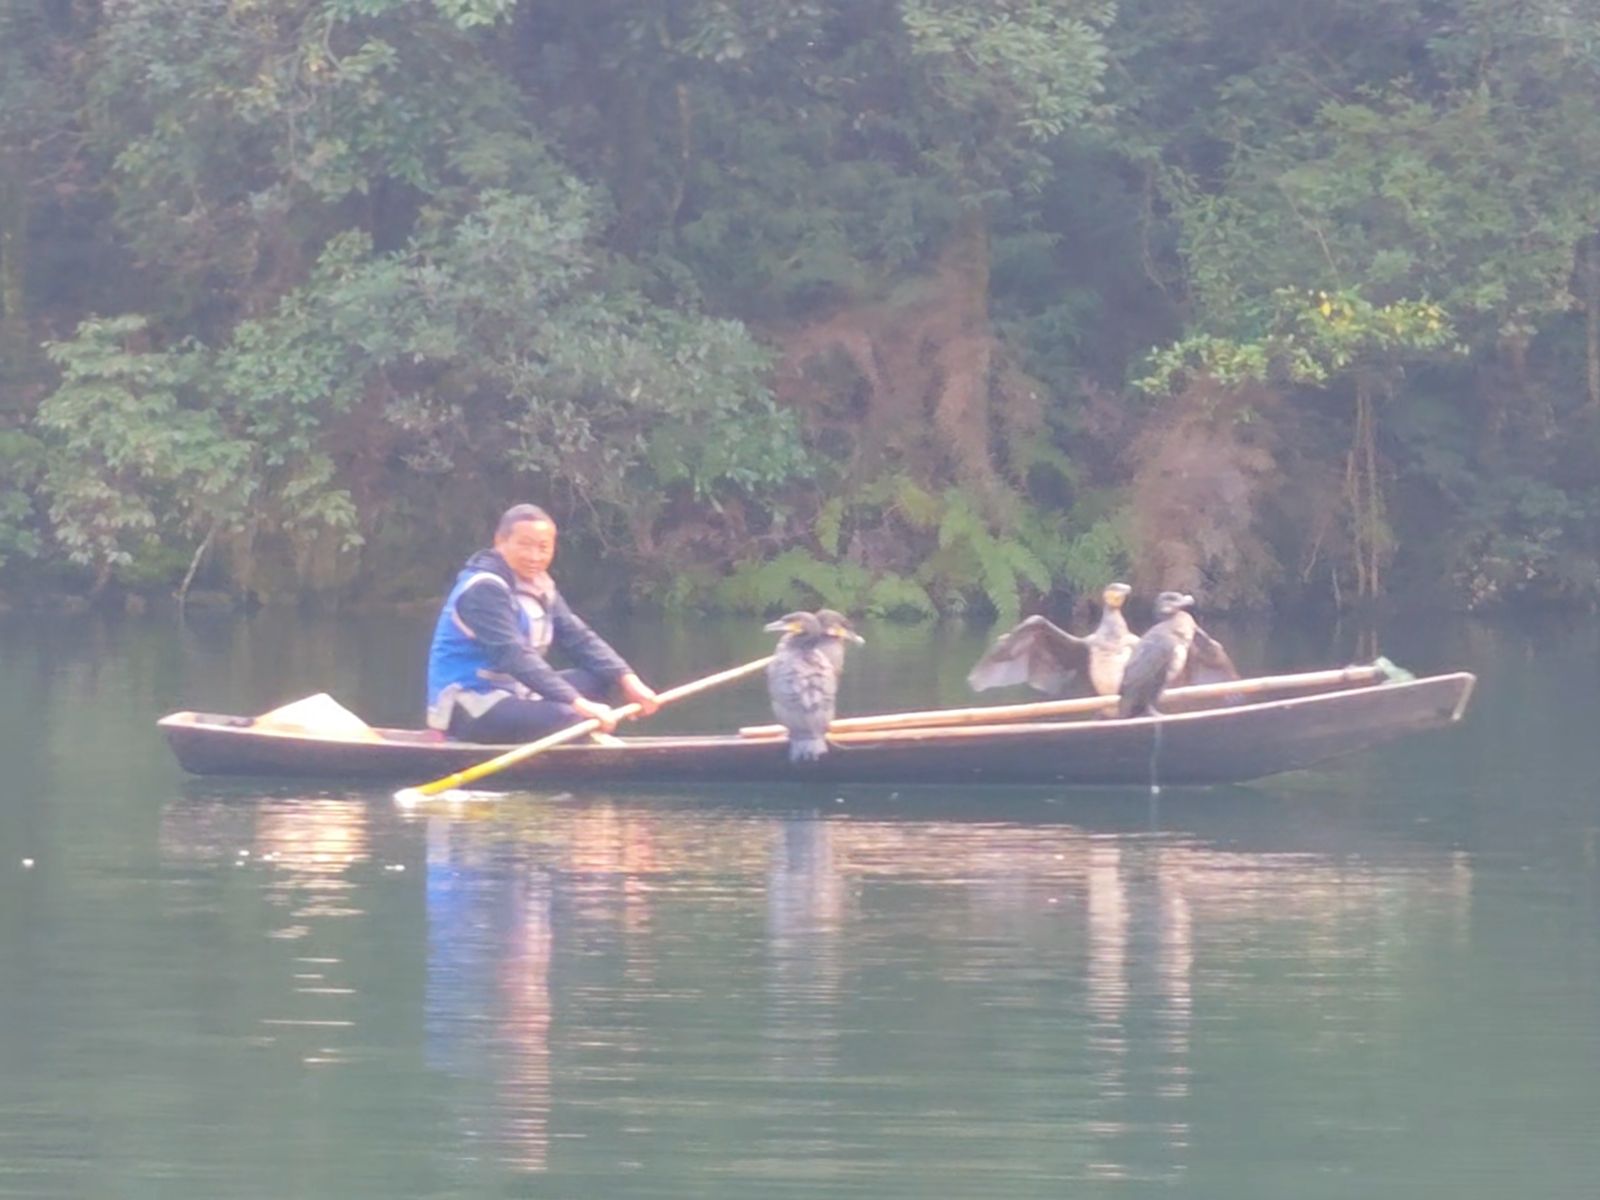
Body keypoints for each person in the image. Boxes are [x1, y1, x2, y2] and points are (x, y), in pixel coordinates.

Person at [426, 504, 659, 742]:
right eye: (524, 545)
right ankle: (582, 738)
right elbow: (514, 655)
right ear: (500, 542)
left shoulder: (540, 584)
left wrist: (628, 680)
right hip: (471, 706)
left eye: (543, 547)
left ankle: (580, 734)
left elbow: (577, 637)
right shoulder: (483, 589)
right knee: (570, 717)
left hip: (517, 694)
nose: (534, 557)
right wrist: (578, 704)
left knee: (605, 678)